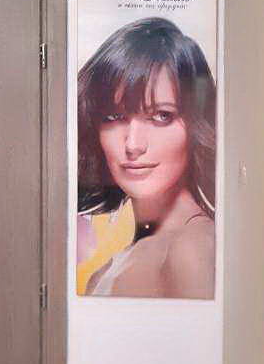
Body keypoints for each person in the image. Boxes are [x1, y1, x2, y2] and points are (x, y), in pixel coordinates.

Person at [78, 16, 216, 298]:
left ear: (196, 125)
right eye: (114, 117)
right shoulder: (110, 268)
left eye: (161, 116)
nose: (133, 144)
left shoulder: (192, 249)